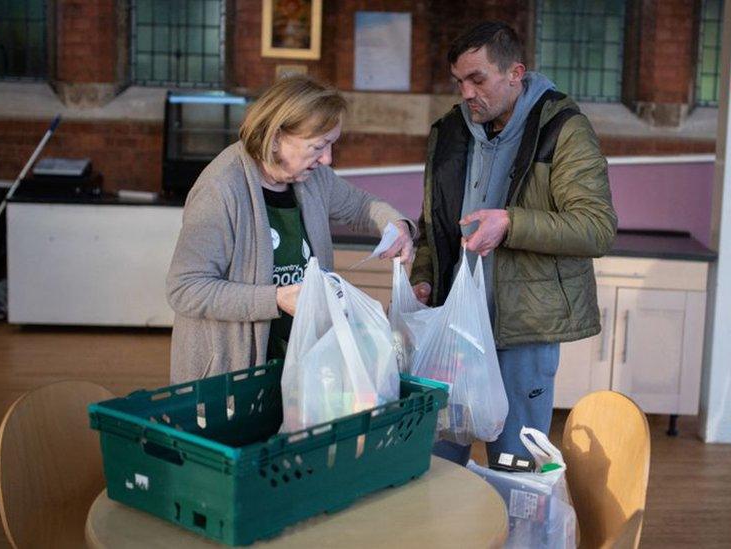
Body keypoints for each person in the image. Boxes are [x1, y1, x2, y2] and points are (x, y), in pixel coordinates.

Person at [410, 22, 617, 467]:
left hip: (524, 330)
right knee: (438, 464)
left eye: (477, 79)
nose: (466, 92)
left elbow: (597, 227)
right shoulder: (448, 131)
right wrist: (424, 277)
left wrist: (509, 224)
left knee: (517, 465)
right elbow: (433, 223)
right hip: (454, 326)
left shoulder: (564, 128)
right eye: (459, 81)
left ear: (515, 72)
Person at [167, 76, 414, 383]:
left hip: (298, 369)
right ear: (274, 138)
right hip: (229, 376)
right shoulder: (220, 190)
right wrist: (276, 299)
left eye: (331, 145)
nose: (327, 159)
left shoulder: (314, 178)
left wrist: (398, 225)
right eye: (318, 146)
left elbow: (362, 206)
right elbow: (185, 289)